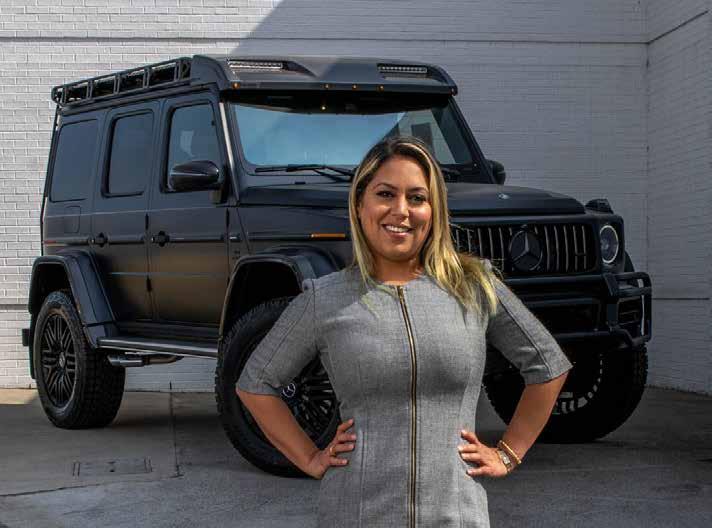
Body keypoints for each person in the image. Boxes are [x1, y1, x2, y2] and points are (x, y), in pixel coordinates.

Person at [236, 136, 573, 527]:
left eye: (417, 198)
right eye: (385, 194)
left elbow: (548, 365)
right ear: (359, 204)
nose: (401, 210)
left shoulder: (474, 287)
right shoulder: (325, 298)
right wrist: (310, 458)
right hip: (357, 515)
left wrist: (508, 453)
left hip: (456, 516)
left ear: (434, 211)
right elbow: (256, 383)